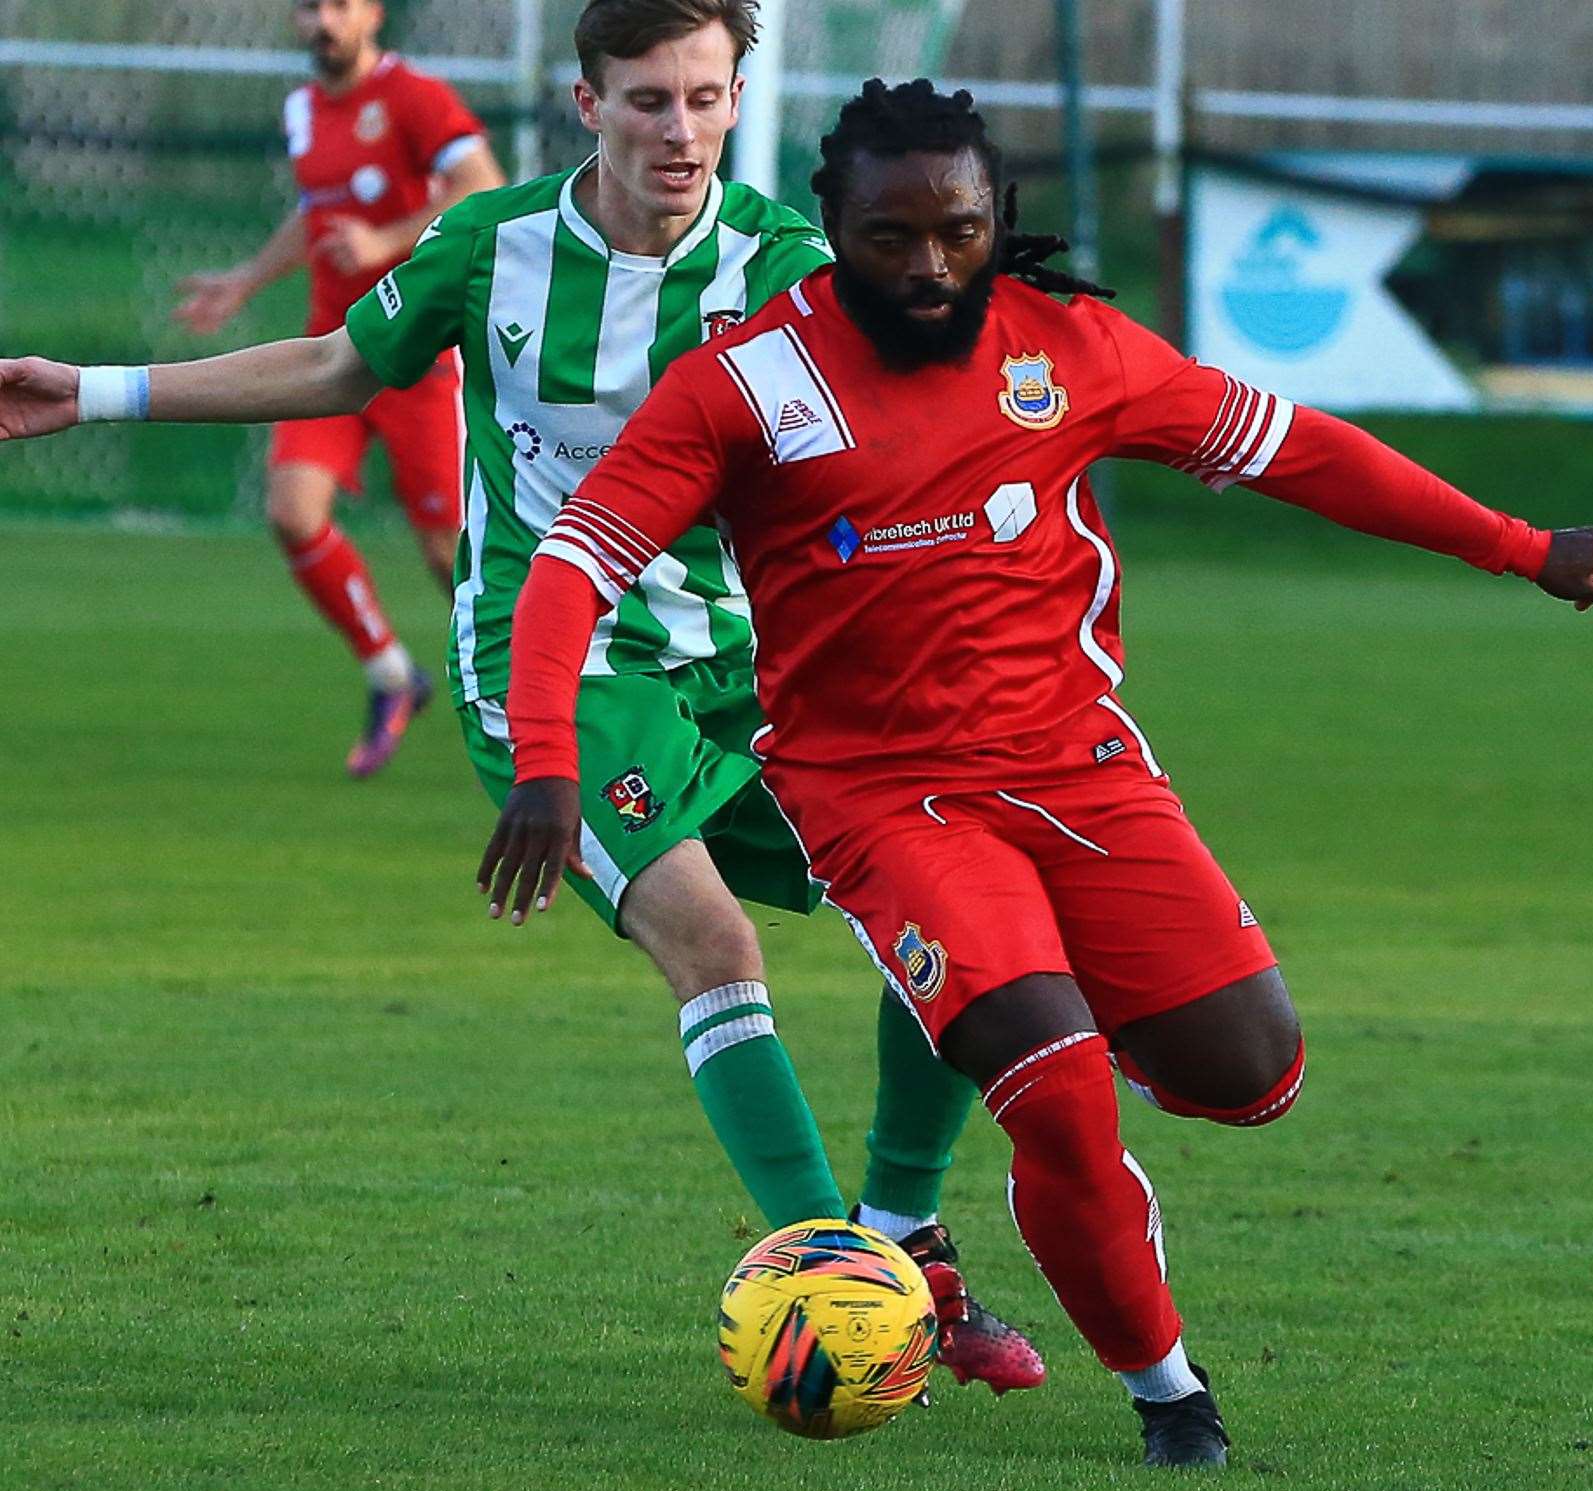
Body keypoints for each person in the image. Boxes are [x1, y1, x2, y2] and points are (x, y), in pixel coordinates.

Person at [483, 79, 1593, 1467]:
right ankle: (1170, 1389)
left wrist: (1520, 544)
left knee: (1252, 1070)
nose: (928, 269)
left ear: (997, 219)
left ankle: (1031, 1002)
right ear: (831, 225)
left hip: (1077, 765)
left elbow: (1295, 447)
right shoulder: (743, 383)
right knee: (1055, 1087)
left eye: (958, 231)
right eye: (889, 238)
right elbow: (574, 562)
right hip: (883, 795)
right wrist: (546, 761)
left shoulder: (1073, 347)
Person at [0, 8, 1041, 1395]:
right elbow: (336, 364)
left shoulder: (787, 266)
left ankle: (912, 1236)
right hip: (556, 672)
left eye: (706, 100)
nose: (681, 132)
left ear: (739, 101)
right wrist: (99, 389)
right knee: (716, 945)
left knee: (946, 910)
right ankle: (833, 1277)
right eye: (650, 102)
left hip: (748, 673)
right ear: (585, 103)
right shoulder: (492, 245)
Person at [172, 0, 507, 777]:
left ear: (373, 14)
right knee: (291, 512)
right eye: (308, 8)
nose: (322, 21)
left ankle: (530, 708)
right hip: (333, 357)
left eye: (339, 6)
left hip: (420, 358)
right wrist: (246, 282)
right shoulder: (301, 108)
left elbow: (482, 185)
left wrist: (386, 241)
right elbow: (316, 214)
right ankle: (393, 675)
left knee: (450, 556)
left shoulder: (415, 96)